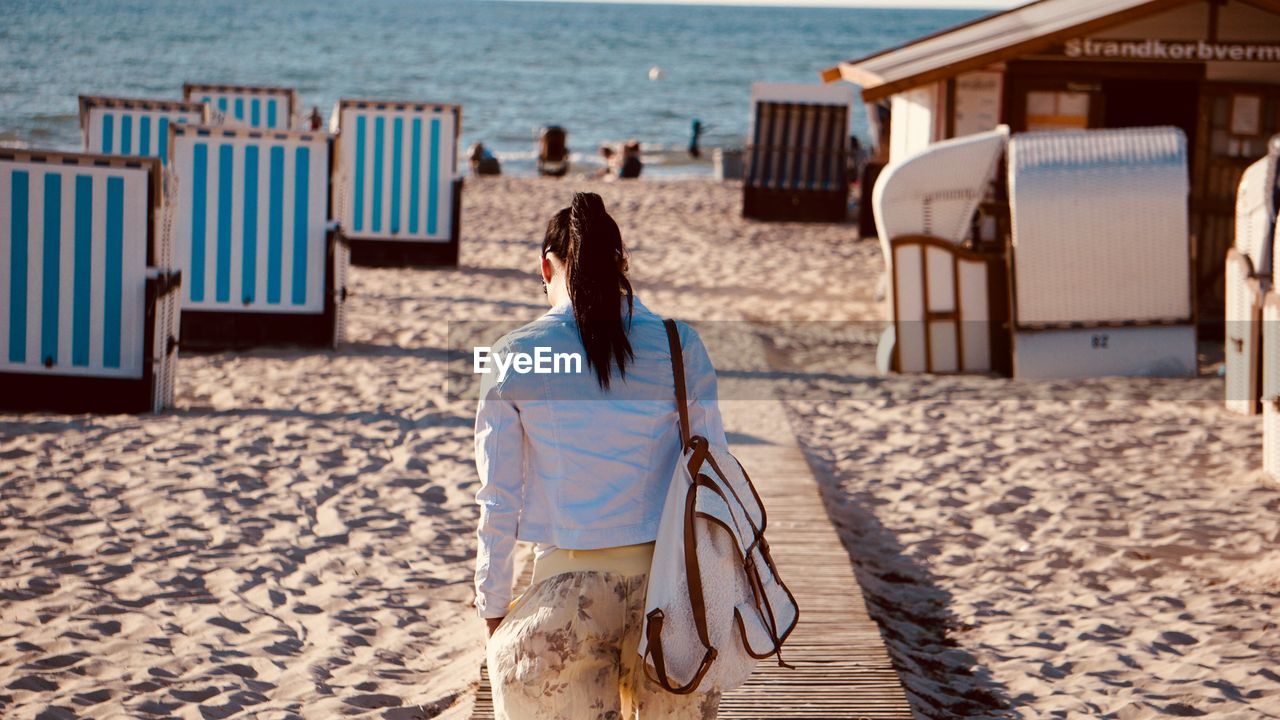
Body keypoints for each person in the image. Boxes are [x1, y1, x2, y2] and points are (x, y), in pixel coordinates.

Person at [475, 192, 725, 719]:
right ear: (622, 265)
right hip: (671, 595)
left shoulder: (515, 354)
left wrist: (493, 607)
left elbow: (498, 499)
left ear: (547, 266)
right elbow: (716, 477)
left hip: (567, 596)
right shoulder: (680, 346)